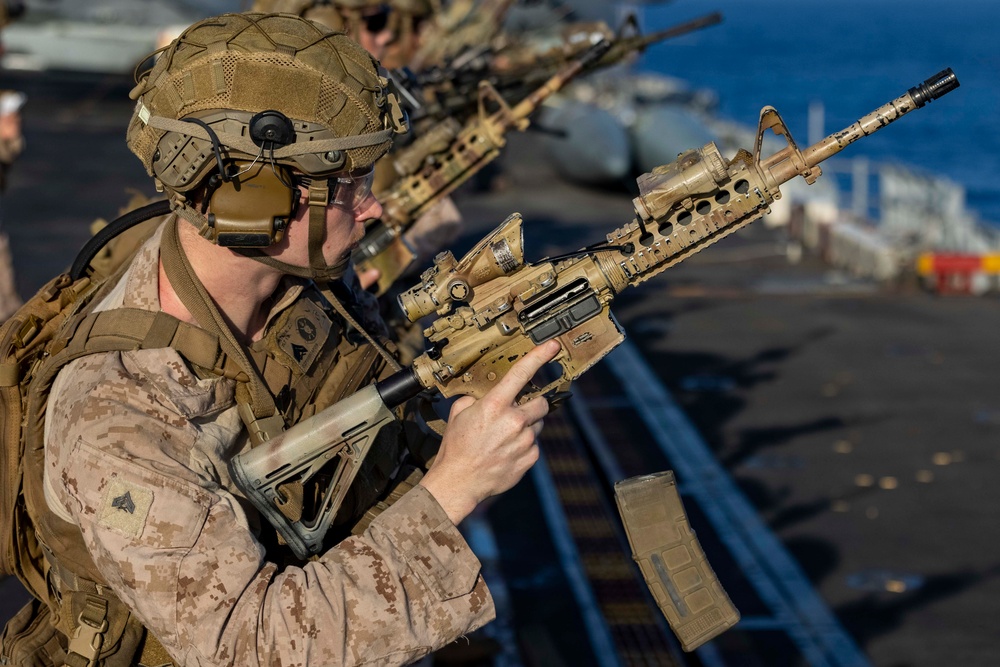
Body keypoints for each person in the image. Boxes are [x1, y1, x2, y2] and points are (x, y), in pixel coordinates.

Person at [26, 13, 556, 666]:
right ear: (256, 202)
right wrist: (455, 487)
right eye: (350, 187)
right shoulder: (117, 412)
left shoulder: (297, 280)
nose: (373, 208)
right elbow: (253, 646)